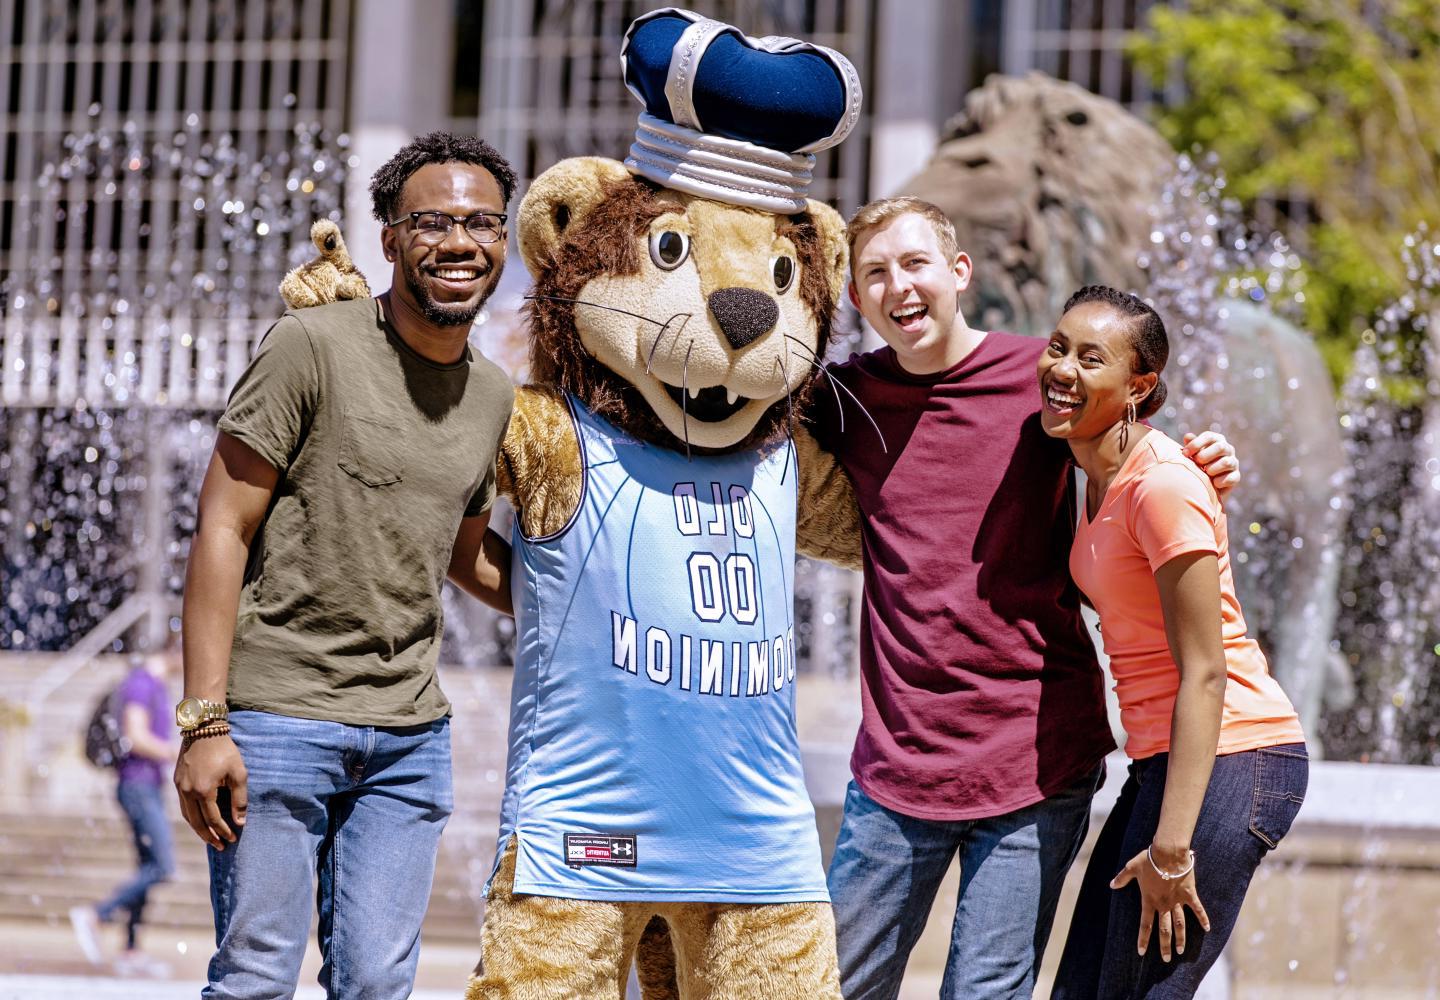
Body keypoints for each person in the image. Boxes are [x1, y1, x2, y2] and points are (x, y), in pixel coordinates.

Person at [810, 197, 1241, 999]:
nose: (898, 286)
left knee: (988, 993)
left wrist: (1204, 458)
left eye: (914, 265)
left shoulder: (1040, 381)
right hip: (898, 766)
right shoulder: (845, 398)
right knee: (829, 988)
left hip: (1034, 768)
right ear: (856, 296)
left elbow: (1136, 450)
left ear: (958, 273)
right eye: (874, 273)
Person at [174, 131, 516, 999]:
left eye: (483, 223)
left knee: (375, 986)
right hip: (278, 722)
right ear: (390, 237)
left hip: (409, 739)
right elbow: (222, 526)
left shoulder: (493, 395)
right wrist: (205, 724)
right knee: (254, 978)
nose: (461, 242)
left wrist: (596, 605)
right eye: (432, 220)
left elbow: (466, 558)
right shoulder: (310, 346)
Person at [1040, 285, 1306, 998]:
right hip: (1165, 760)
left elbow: (1207, 673)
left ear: (1138, 386)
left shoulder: (1160, 486)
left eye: (1090, 358)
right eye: (1058, 347)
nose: (1062, 368)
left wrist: (1172, 847)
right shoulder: (1090, 473)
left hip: (1236, 754)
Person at [70, 642, 180, 975]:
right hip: (137, 785)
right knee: (162, 865)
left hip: (146, 785)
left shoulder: (155, 685)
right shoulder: (141, 683)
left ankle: (131, 949)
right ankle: (96, 915)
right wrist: (179, 753)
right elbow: (135, 736)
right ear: (177, 651)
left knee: (147, 865)